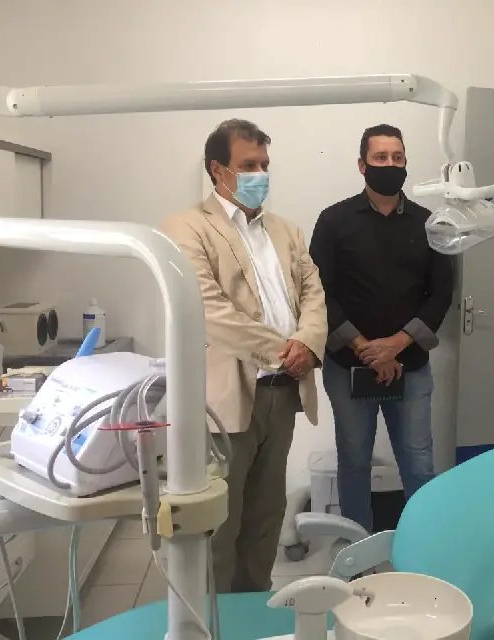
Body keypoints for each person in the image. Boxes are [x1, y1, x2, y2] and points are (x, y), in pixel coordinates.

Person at [160, 119, 327, 593]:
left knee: (266, 516)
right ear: (218, 170)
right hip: (225, 398)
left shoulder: (286, 231)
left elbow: (314, 293)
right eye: (248, 165)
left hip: (283, 394)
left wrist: (308, 343)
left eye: (265, 165)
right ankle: (213, 618)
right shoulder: (186, 228)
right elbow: (208, 310)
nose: (260, 175)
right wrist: (283, 350)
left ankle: (253, 609)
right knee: (220, 523)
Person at [309, 124, 454, 532]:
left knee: (418, 460)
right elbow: (317, 292)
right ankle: (357, 543)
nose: (390, 165)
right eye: (380, 158)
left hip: (411, 365)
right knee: (354, 459)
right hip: (347, 365)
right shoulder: (334, 221)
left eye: (397, 157)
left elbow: (441, 293)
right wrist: (364, 347)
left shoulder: (430, 224)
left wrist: (396, 345)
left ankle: (424, 541)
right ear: (362, 165)